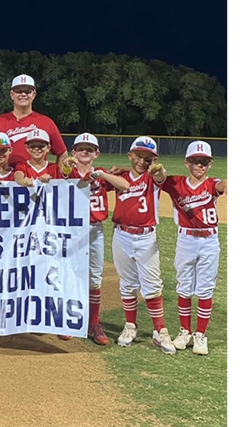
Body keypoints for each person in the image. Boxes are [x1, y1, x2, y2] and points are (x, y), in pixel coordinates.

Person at [90, 136, 176, 354]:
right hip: (122, 235)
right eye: (138, 156)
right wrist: (110, 172)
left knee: (152, 285)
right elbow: (98, 185)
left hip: (146, 237)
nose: (142, 161)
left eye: (148, 158)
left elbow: (161, 175)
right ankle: (130, 326)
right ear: (130, 155)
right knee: (127, 284)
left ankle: (160, 330)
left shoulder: (153, 177)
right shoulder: (120, 176)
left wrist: (157, 169)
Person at [160, 141, 228, 355]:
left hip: (209, 241)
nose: (199, 165)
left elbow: (221, 184)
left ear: (210, 164)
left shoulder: (211, 184)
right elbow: (157, 177)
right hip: (186, 240)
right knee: (184, 286)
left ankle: (200, 335)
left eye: (204, 161)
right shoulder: (176, 183)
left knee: (205, 288)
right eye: (195, 161)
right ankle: (185, 331)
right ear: (187, 162)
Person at [55, 133, 122, 345]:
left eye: (90, 149)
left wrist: (104, 175)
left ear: (97, 153)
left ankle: (93, 322)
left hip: (95, 229)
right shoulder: (67, 171)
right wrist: (67, 165)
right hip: (72, 230)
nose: (85, 152)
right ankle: (70, 320)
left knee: (94, 278)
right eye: (81, 148)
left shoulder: (101, 175)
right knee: (71, 275)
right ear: (73, 152)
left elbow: (125, 185)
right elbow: (64, 173)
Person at [0, 74, 68, 167]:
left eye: (27, 91)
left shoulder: (46, 123)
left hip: (36, 179)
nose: (23, 94)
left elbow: (62, 153)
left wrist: (57, 176)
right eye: (18, 91)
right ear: (12, 94)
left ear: (34, 94)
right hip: (5, 179)